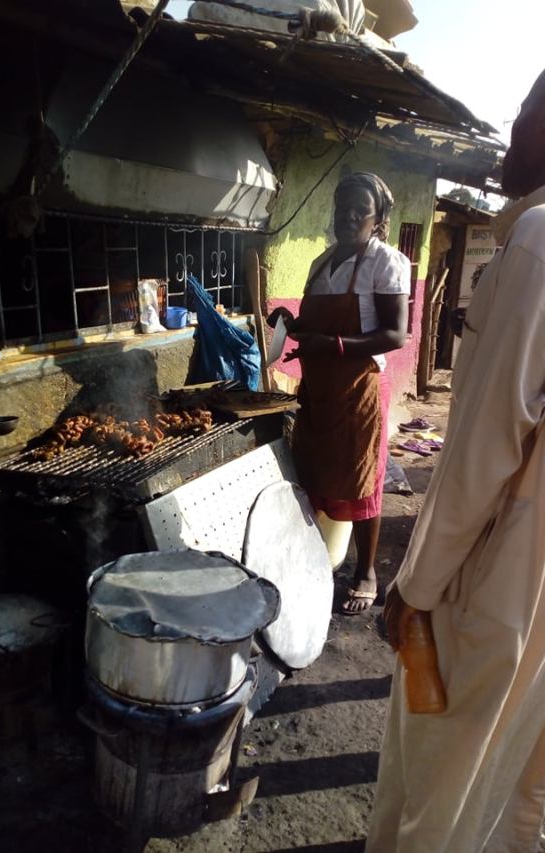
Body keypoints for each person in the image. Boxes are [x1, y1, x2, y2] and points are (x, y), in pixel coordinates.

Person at [367, 70, 545, 852]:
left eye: (528, 115)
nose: (512, 133)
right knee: (512, 777)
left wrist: (417, 585)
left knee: (440, 778)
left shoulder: (538, 243)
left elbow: (480, 450)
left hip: (501, 566)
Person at [268, 172, 410, 613]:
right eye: (341, 208)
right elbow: (317, 326)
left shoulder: (386, 262)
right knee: (313, 471)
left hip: (357, 387)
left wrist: (334, 346)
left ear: (378, 218)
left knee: (361, 476)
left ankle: (365, 572)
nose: (347, 217)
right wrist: (291, 325)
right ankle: (315, 560)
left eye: (359, 210)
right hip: (319, 388)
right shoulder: (321, 263)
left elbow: (396, 334)